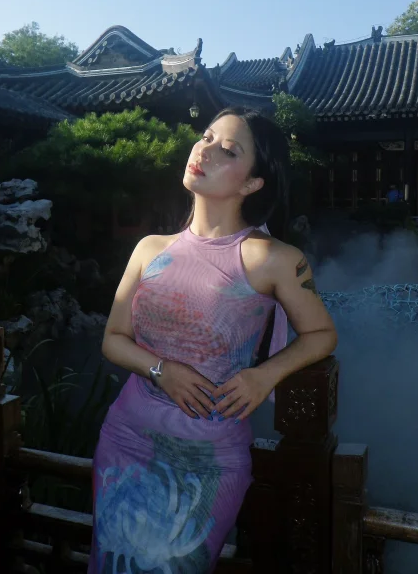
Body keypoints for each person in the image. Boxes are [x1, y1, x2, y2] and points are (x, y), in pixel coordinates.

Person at [89, 107, 338, 574]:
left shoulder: (274, 258)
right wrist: (162, 371)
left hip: (209, 455)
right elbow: (113, 340)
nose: (204, 150)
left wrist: (264, 376)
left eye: (228, 150)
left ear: (253, 183)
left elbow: (322, 333)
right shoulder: (149, 249)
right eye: (205, 137)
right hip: (128, 440)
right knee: (112, 561)